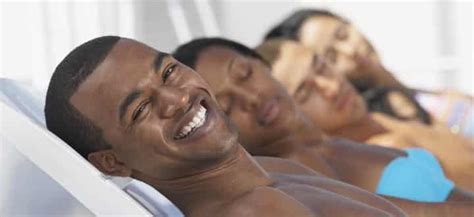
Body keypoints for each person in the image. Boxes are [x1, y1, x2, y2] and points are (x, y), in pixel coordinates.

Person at [44, 36, 409, 217]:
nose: (176, 99)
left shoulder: (270, 175)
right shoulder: (252, 212)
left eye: (169, 72)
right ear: (111, 162)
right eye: (140, 109)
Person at [172, 37, 474, 215]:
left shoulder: (344, 139)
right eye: (226, 105)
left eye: (245, 74)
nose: (250, 98)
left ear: (263, 64)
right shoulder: (280, 178)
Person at [254, 38, 474, 192]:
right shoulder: (378, 161)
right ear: (289, 116)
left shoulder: (382, 115)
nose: (331, 87)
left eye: (321, 67)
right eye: (305, 92)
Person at [264, 9, 474, 139]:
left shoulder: (411, 91)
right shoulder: (388, 114)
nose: (350, 51)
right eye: (331, 56)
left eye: (343, 34)